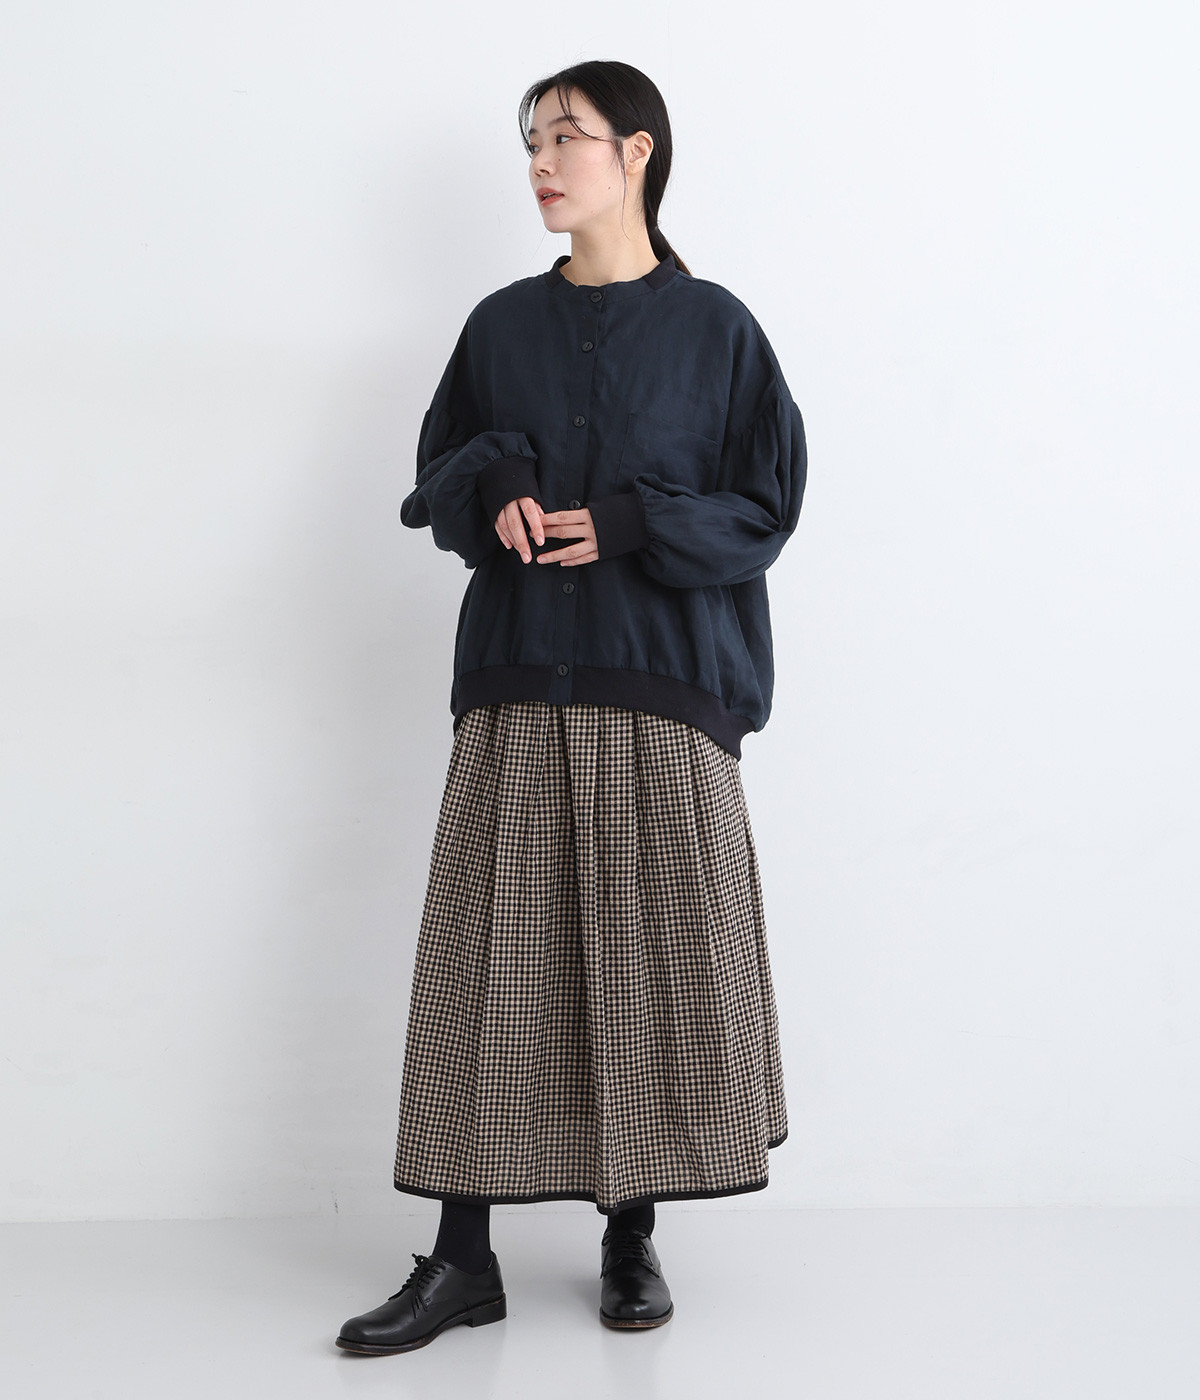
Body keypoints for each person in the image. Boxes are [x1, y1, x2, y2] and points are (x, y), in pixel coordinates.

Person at [337, 59, 807, 1356]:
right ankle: (461, 1259)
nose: (541, 162)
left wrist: (636, 522)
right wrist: (492, 488)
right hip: (516, 679)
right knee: (485, 971)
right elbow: (436, 472)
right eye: (531, 142)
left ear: (637, 152)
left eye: (568, 136)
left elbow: (766, 508)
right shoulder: (499, 328)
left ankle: (629, 1235)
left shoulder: (717, 332)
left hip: (660, 690)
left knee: (642, 963)